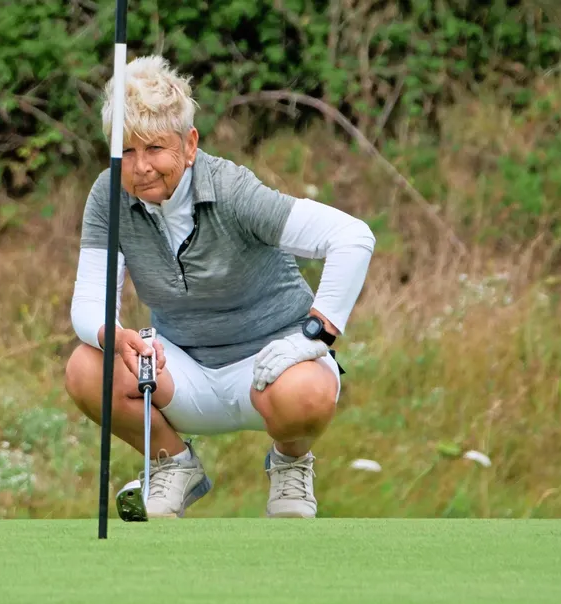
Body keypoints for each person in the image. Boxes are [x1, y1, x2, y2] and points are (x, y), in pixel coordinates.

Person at [64, 55, 375, 519]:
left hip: (271, 370)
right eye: (126, 152)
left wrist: (314, 338)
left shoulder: (232, 190)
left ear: (189, 145)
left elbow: (352, 237)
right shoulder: (109, 195)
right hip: (180, 371)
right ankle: (172, 464)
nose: (140, 167)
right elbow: (91, 301)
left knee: (307, 391)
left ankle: (291, 462)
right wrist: (117, 336)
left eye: (154, 148)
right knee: (87, 366)